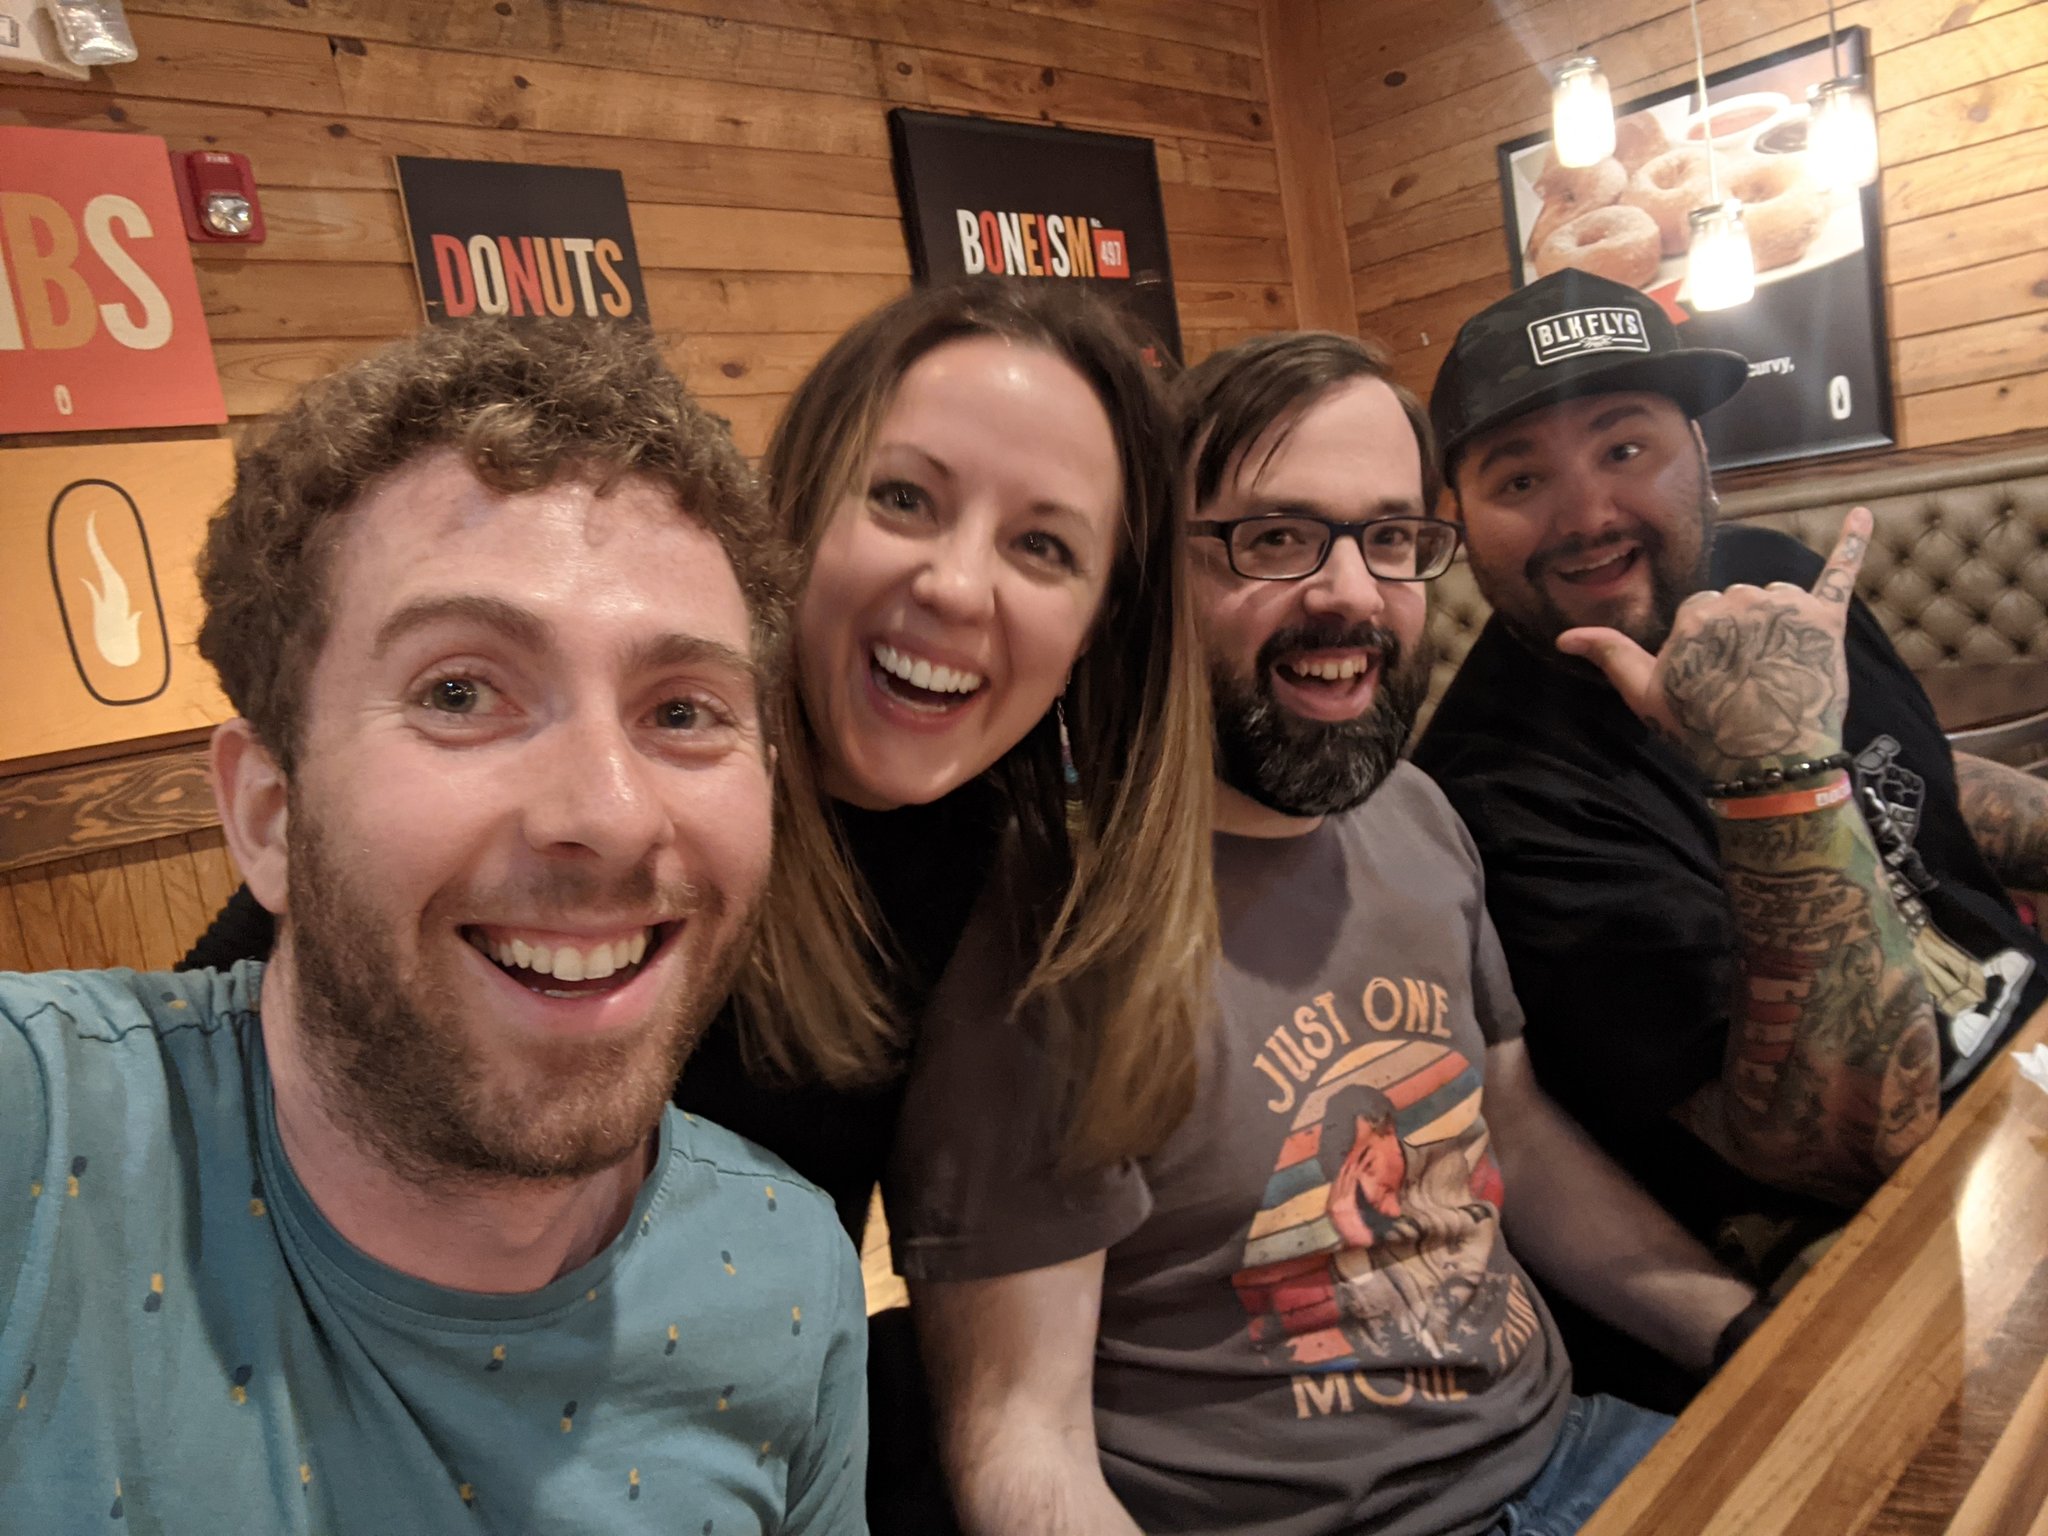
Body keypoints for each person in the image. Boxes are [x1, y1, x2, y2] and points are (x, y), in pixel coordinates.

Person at [175, 280, 1219, 1532]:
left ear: (1101, 624)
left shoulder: (1015, 893)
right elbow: (208, 1073)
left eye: (1042, 545)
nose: (955, 584)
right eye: (901, 498)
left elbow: (1017, 1419)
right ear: (786, 526)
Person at [888, 332, 1760, 1536]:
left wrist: (1742, 1325)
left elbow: (1513, 1133)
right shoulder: (1050, 938)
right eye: (1277, 538)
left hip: (1575, 1449)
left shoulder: (1416, 815)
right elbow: (1018, 1446)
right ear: (1147, 580)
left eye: (1390, 537)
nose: (1351, 591)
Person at [1, 319, 866, 1532]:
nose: (611, 817)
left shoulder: (786, 1273)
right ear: (268, 815)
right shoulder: (40, 1139)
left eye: (683, 709)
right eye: (459, 692)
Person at [1411, 270, 2048, 1402]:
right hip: (1890, 1242)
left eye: (1624, 448)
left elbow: (1924, 785)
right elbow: (1852, 1142)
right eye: (1519, 478)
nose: (1588, 518)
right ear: (1456, 522)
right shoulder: (1493, 792)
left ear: (1698, 451)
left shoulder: (1774, 577)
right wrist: (1774, 766)